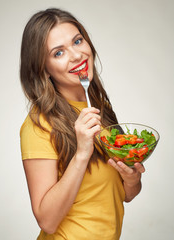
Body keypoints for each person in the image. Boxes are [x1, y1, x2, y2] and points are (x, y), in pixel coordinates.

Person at [20, 8, 145, 240]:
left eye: (78, 41)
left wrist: (132, 179)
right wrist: (81, 154)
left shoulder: (100, 109)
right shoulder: (39, 125)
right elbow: (47, 221)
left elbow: (124, 194)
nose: (76, 55)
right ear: (43, 69)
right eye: (58, 53)